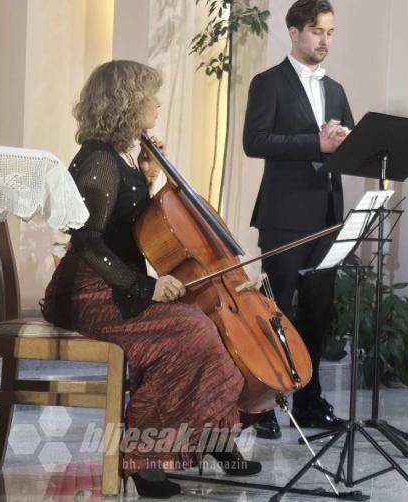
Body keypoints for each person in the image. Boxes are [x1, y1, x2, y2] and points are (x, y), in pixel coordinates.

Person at [42, 60, 260, 498]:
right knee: (191, 332)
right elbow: (86, 240)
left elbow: (132, 226)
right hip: (89, 290)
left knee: (205, 325)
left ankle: (212, 438)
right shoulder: (98, 159)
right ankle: (145, 461)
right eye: (149, 96)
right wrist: (145, 287)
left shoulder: (121, 156)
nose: (157, 103)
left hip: (113, 283)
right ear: (126, 102)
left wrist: (146, 177)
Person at [243, 0, 352, 439]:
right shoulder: (269, 82)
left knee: (317, 312)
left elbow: (346, 146)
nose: (325, 40)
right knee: (276, 309)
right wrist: (316, 143)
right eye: (317, 31)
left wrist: (344, 142)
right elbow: (256, 142)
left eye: (330, 32)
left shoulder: (336, 89)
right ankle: (263, 403)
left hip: (326, 215)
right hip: (285, 214)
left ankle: (309, 401)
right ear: (294, 32)